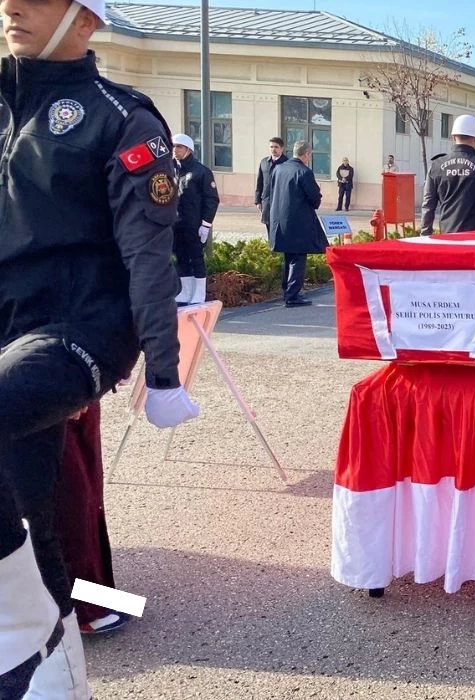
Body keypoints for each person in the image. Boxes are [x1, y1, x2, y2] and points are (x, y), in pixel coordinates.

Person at [0, 0, 200, 694]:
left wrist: (165, 376)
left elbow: (150, 259)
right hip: (5, 331)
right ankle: (56, 664)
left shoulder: (122, 117)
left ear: (86, 19)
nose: (12, 6)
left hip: (77, 330)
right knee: (31, 512)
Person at [53, 403, 129, 636]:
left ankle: (93, 593)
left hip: (72, 378)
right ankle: (80, 608)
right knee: (69, 492)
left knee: (87, 489)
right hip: (39, 386)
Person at [269, 140, 325, 308]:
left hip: (280, 220)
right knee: (298, 258)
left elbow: (272, 192)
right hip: (298, 221)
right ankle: (293, 296)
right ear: (306, 154)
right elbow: (314, 198)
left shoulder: (279, 168)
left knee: (288, 256)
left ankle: (288, 290)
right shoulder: (304, 172)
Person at [420, 115, 475, 236]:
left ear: (453, 137)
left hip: (447, 235)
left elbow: (428, 205)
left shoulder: (437, 165)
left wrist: (425, 235)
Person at [171, 133, 219, 306]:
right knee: (181, 257)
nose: (175, 150)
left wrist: (206, 224)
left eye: (179, 147)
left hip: (194, 224)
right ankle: (185, 291)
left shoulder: (201, 171)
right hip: (177, 223)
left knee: (196, 258)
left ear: (189, 149)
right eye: (174, 147)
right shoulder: (171, 169)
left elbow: (212, 199)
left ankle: (199, 293)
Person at [255, 136, 287, 234]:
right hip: (267, 201)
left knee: (280, 229)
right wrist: (258, 201)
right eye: (271, 147)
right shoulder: (264, 162)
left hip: (280, 202)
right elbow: (260, 182)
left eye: (276, 147)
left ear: (282, 148)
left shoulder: (287, 163)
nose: (273, 149)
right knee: (269, 227)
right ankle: (271, 247)